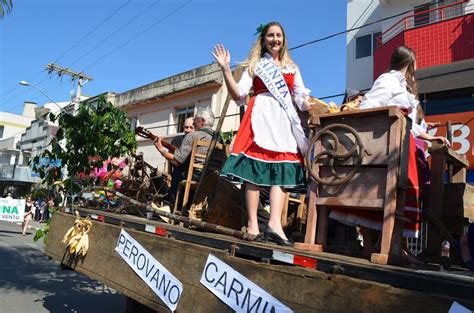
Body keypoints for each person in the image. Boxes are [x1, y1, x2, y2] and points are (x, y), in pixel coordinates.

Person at [330, 45, 449, 258]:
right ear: (410, 62)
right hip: (387, 144)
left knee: (404, 192)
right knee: (374, 193)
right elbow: (369, 106)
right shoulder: (388, 80)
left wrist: (430, 137)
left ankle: (397, 247)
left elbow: (411, 125)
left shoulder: (405, 87)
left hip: (404, 143)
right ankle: (371, 246)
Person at [212, 22, 312, 246]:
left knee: (282, 170)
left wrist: (310, 104)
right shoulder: (256, 65)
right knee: (254, 171)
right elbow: (239, 95)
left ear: (283, 39)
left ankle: (275, 225)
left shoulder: (292, 68)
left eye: (278, 35)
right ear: (263, 39)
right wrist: (226, 70)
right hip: (260, 116)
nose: (275, 39)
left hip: (283, 120)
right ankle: (253, 226)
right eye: (270, 35)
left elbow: (299, 97)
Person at [154, 108, 219, 214]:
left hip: (197, 176)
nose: (193, 123)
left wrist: (160, 149)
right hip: (213, 178)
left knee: (178, 174)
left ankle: (177, 208)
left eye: (195, 120)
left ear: (202, 121)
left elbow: (176, 161)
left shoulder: (193, 136)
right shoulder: (219, 139)